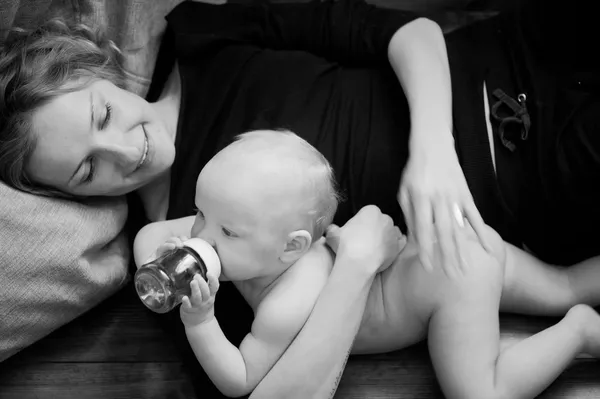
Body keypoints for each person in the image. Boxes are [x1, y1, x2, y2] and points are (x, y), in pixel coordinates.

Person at [1, 0, 599, 397]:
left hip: (499, 60)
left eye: (102, 113)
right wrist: (358, 264)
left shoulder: (204, 38)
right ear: (66, 199)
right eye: (85, 170)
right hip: (532, 191)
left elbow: (408, 33)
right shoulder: (192, 253)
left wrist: (433, 149)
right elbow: (273, 384)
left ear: (98, 71)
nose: (122, 150)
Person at [135, 129, 600, 399]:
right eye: (199, 213)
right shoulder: (262, 245)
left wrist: (200, 322)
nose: (199, 236)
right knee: (565, 283)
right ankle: (578, 302)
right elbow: (163, 236)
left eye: (226, 232)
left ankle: (577, 331)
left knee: (483, 393)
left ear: (293, 248)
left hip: (447, 288)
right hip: (448, 244)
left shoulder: (285, 304)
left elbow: (239, 381)